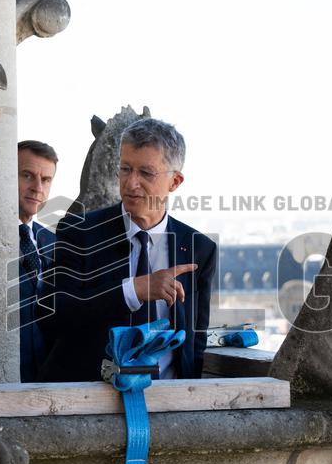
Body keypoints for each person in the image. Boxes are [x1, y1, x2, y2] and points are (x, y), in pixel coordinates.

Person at [40, 118, 217, 383]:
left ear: (175, 182)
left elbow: (195, 341)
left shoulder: (199, 249)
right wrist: (133, 291)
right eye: (125, 169)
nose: (131, 183)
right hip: (91, 401)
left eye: (146, 173)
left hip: (168, 403)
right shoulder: (79, 232)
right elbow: (52, 315)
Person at [16, 140, 58, 383]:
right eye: (27, 175)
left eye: (46, 180)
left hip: (49, 380)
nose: (37, 187)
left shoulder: (55, 242)